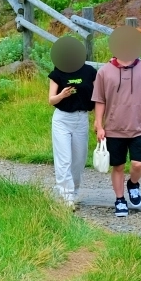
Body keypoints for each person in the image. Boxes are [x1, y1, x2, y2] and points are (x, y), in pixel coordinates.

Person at [92, 26, 141, 217]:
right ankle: (120, 200)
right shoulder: (104, 72)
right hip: (114, 128)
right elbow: (100, 100)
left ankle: (133, 184)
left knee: (138, 164)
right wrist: (99, 124)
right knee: (118, 166)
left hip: (139, 127)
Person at [46, 36, 97, 210]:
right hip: (62, 118)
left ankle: (73, 191)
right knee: (64, 159)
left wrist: (99, 121)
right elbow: (51, 100)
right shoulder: (57, 73)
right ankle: (66, 196)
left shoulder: (89, 71)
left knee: (79, 160)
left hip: (81, 118)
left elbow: (98, 98)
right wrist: (62, 95)